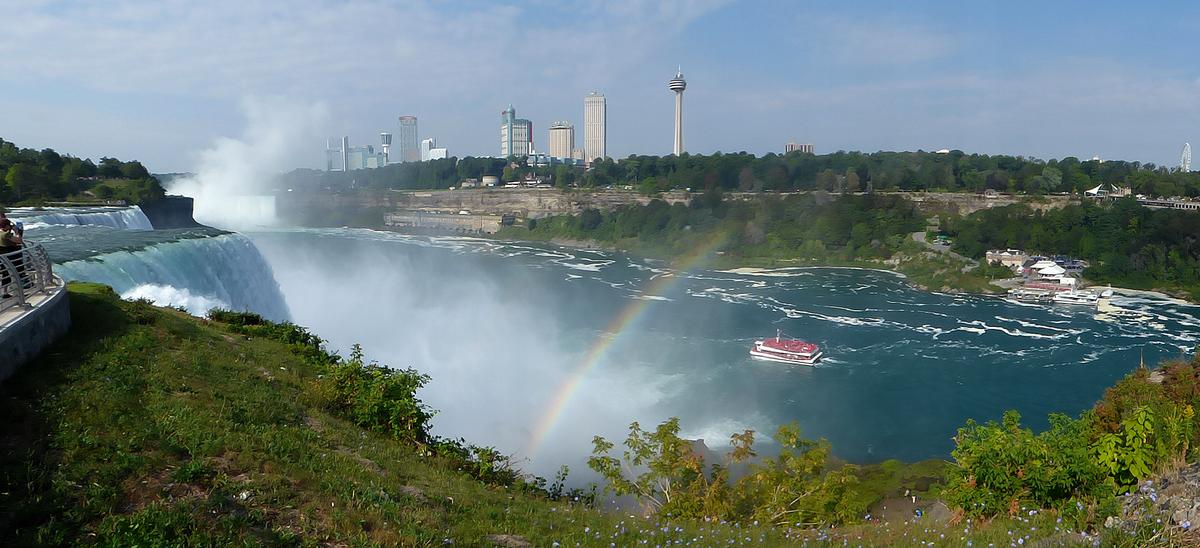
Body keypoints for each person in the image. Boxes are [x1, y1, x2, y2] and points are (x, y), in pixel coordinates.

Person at [0, 218, 24, 294]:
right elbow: (19, 240)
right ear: (6, 226)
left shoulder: (1, 233)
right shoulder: (6, 234)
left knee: (5, 275)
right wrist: (17, 232)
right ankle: (18, 293)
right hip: (11, 258)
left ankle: (5, 292)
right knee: (16, 274)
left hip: (3, 258)